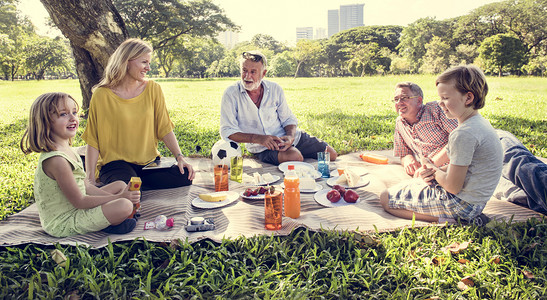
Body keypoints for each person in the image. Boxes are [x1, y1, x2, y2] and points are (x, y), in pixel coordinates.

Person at [391, 82, 547, 214]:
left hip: (486, 141)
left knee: (521, 167)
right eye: (396, 99)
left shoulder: (435, 110)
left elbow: (463, 136)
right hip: (470, 168)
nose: (399, 103)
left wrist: (432, 164)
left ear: (419, 101)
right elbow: (403, 152)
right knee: (512, 194)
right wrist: (409, 159)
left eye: (404, 98)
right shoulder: (400, 123)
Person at [380, 65, 503, 225]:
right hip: (477, 203)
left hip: (460, 205)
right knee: (411, 185)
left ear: (468, 98)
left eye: (445, 98)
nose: (440, 103)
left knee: (385, 198)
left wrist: (433, 168)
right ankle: (459, 217)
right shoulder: (480, 124)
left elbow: (452, 187)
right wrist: (435, 171)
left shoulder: (463, 134)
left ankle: (455, 221)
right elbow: (468, 167)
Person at [20, 92, 141, 237]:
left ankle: (115, 217)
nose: (73, 118)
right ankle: (112, 223)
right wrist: (120, 199)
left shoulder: (69, 151)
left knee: (120, 185)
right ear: (45, 122)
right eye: (63, 114)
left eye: (74, 112)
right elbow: (80, 201)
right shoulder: (57, 161)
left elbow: (87, 187)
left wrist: (121, 194)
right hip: (64, 222)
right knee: (124, 205)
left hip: (78, 208)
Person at [82, 38, 195, 190]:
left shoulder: (153, 89)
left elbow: (164, 128)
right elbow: (93, 140)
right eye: (144, 62)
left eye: (149, 63)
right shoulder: (102, 94)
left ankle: (126, 185)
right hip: (116, 164)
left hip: (148, 163)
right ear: (126, 61)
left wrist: (180, 158)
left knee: (184, 176)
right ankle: (124, 186)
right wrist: (89, 178)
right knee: (130, 192)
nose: (148, 68)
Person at [220, 50, 337, 165]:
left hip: (291, 137)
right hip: (263, 147)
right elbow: (227, 130)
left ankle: (295, 151)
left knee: (330, 154)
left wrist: (290, 137)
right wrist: (258, 139)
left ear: (263, 73)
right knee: (294, 156)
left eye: (253, 72)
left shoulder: (275, 89)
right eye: (244, 70)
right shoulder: (231, 94)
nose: (247, 76)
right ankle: (293, 154)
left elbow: (288, 119)